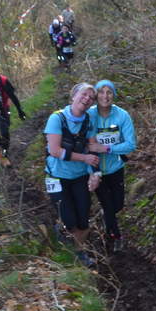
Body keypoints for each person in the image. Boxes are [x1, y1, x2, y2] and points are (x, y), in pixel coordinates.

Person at [45, 83, 101, 267]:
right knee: (69, 220)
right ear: (73, 96)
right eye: (84, 94)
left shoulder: (89, 121)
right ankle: (61, 230)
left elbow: (92, 148)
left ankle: (79, 253)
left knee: (83, 220)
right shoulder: (56, 118)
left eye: (91, 97)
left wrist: (95, 174)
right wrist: (84, 158)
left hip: (79, 176)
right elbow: (54, 150)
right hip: (56, 176)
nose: (87, 99)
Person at [86, 80, 136, 253]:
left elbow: (130, 145)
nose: (105, 96)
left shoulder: (122, 115)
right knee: (108, 205)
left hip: (116, 168)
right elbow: (84, 143)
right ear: (96, 95)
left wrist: (106, 148)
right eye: (101, 92)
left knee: (117, 205)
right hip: (96, 169)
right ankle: (115, 237)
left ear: (114, 95)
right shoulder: (89, 115)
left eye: (109, 92)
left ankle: (107, 219)